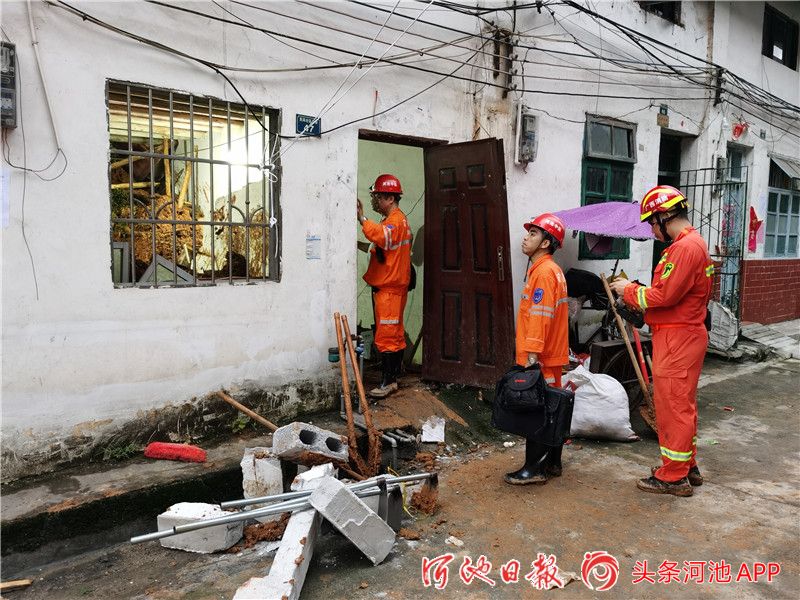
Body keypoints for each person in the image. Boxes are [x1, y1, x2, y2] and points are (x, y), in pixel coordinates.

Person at [609, 185, 713, 497]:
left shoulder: (684, 248)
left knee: (672, 409)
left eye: (652, 223)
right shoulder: (693, 244)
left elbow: (662, 295)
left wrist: (627, 289)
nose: (652, 230)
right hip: (683, 334)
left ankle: (673, 477)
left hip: (678, 338)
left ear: (664, 216)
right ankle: (687, 467)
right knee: (683, 406)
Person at [505, 213, 569, 485]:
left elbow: (540, 319)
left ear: (545, 243)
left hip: (540, 356)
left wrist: (531, 358)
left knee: (537, 411)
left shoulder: (543, 273)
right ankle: (553, 462)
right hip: (550, 354)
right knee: (550, 408)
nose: (526, 238)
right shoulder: (548, 270)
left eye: (532, 234)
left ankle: (534, 469)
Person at [357, 174, 413, 399]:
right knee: (395, 333)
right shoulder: (397, 220)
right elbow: (381, 246)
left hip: (389, 287)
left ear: (390, 198)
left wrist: (362, 219)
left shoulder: (395, 222)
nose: (376, 201)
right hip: (393, 286)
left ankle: (388, 382)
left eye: (379, 197)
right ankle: (394, 377)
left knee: (387, 335)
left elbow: (380, 237)